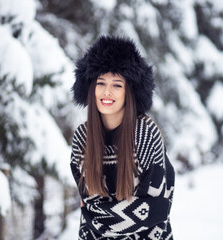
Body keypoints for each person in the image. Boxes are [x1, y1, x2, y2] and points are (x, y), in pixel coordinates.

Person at [70, 35, 175, 240]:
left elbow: (157, 211)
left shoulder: (146, 135)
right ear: (91, 88)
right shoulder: (82, 139)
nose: (107, 92)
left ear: (130, 91)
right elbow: (89, 213)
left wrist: (99, 216)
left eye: (117, 85)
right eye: (101, 83)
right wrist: (105, 215)